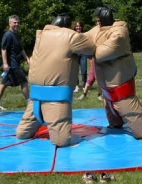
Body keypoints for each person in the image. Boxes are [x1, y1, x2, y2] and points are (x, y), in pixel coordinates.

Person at [16, 13, 95, 147]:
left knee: (22, 133)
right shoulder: (70, 36)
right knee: (61, 140)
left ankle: (30, 126)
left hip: (35, 97)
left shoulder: (41, 36)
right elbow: (91, 48)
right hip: (56, 97)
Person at [84, 6, 142, 140]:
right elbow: (83, 39)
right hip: (106, 83)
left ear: (104, 19)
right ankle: (116, 123)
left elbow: (100, 54)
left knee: (128, 108)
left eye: (98, 20)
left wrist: (86, 50)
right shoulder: (98, 28)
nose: (97, 22)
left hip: (120, 82)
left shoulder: (119, 33)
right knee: (110, 106)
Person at [0, 15, 30, 111]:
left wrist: (27, 59)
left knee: (3, 84)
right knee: (24, 82)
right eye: (14, 23)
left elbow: (21, 49)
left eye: (18, 22)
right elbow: (3, 49)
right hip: (12, 65)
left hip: (13, 64)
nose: (17, 24)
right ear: (9, 24)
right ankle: (29, 102)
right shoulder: (8, 35)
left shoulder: (16, 35)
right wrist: (5, 63)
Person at [73, 21, 88, 93]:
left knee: (84, 71)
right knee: (75, 71)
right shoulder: (72, 35)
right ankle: (76, 86)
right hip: (75, 54)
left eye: (79, 26)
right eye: (77, 26)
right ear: (75, 27)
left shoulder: (84, 35)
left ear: (81, 27)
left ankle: (84, 85)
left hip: (83, 54)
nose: (78, 27)